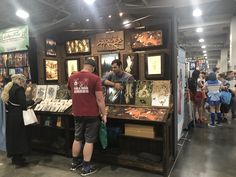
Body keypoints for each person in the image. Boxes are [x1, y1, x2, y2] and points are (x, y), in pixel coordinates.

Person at [68, 59, 107, 176]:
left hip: (77, 113)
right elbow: (100, 99)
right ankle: (86, 168)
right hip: (91, 114)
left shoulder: (72, 77)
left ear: (84, 66)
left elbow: (72, 94)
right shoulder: (95, 78)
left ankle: (74, 164)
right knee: (89, 140)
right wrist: (104, 114)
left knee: (77, 138)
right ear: (93, 68)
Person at [0, 74, 35, 166]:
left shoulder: (9, 88)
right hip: (17, 116)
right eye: (24, 81)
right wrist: (34, 101)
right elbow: (23, 104)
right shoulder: (19, 89)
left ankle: (14, 158)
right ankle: (19, 159)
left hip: (10, 116)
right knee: (19, 137)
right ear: (19, 80)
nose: (24, 83)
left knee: (13, 137)